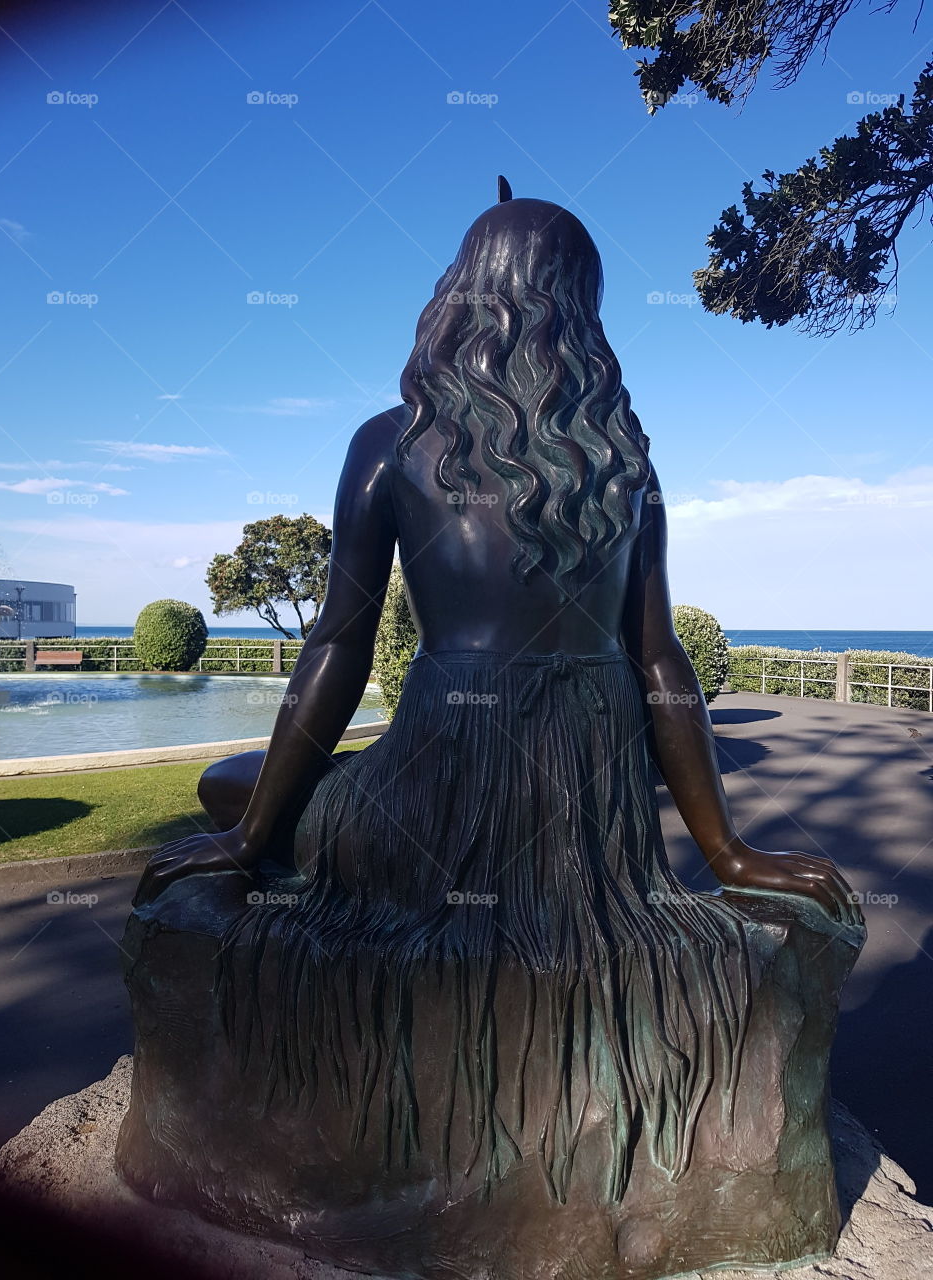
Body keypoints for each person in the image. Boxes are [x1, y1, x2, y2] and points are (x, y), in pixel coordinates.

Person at [134, 192, 860, 1200]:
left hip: (433, 785)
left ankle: (281, 827)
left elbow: (339, 642)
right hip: (589, 825)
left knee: (228, 780)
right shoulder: (624, 460)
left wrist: (251, 833)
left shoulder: (391, 441)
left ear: (461, 294)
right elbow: (660, 662)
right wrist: (726, 851)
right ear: (582, 308)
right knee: (279, 794)